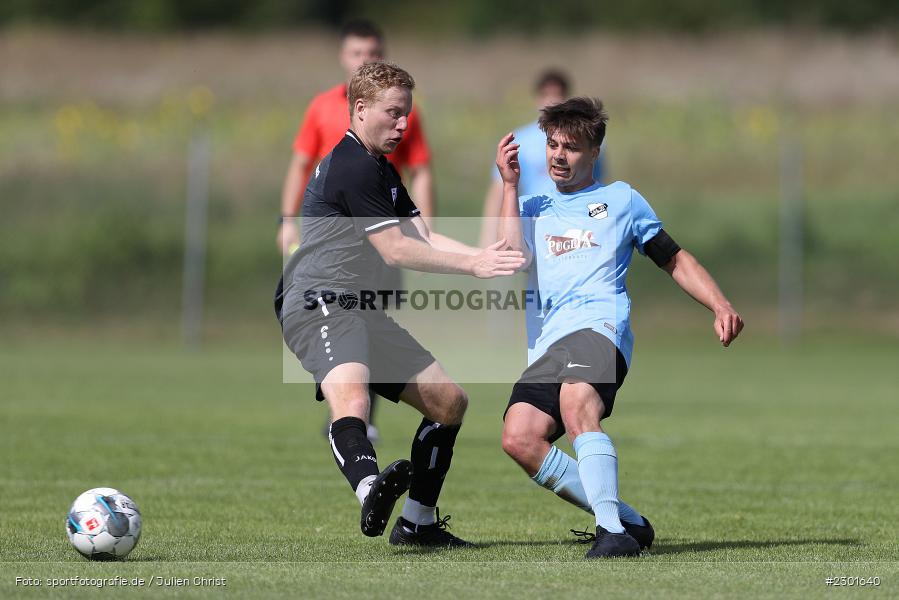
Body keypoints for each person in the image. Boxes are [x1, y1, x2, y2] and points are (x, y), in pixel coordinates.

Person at [275, 61, 525, 547]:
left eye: (407, 115)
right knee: (352, 397)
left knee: (449, 403)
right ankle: (370, 490)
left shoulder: (381, 169)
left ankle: (417, 523)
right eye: (394, 114)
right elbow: (396, 250)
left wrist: (486, 256)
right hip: (318, 298)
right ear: (361, 108)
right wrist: (472, 269)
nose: (404, 125)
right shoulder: (351, 164)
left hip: (360, 306)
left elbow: (422, 235)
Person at [495, 97, 743, 558]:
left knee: (576, 402)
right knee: (519, 437)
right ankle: (626, 521)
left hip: (600, 327)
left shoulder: (621, 200)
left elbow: (674, 257)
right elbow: (511, 259)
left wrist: (719, 303)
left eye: (570, 148)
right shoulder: (533, 205)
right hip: (548, 340)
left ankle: (610, 535)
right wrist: (510, 187)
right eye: (551, 145)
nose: (557, 156)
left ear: (594, 153)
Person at [278, 20, 436, 441]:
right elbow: (300, 163)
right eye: (357, 53)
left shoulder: (399, 110)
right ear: (343, 57)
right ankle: (346, 409)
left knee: (371, 322)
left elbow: (419, 168)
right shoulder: (322, 108)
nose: (364, 59)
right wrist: (286, 218)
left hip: (383, 229)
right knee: (338, 318)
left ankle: (361, 418)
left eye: (372, 53)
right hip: (335, 240)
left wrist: (427, 229)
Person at [480, 69, 604, 247]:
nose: (552, 101)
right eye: (546, 95)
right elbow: (499, 189)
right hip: (535, 221)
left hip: (576, 221)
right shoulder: (520, 139)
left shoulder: (588, 141)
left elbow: (599, 183)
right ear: (537, 98)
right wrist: (487, 236)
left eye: (558, 95)